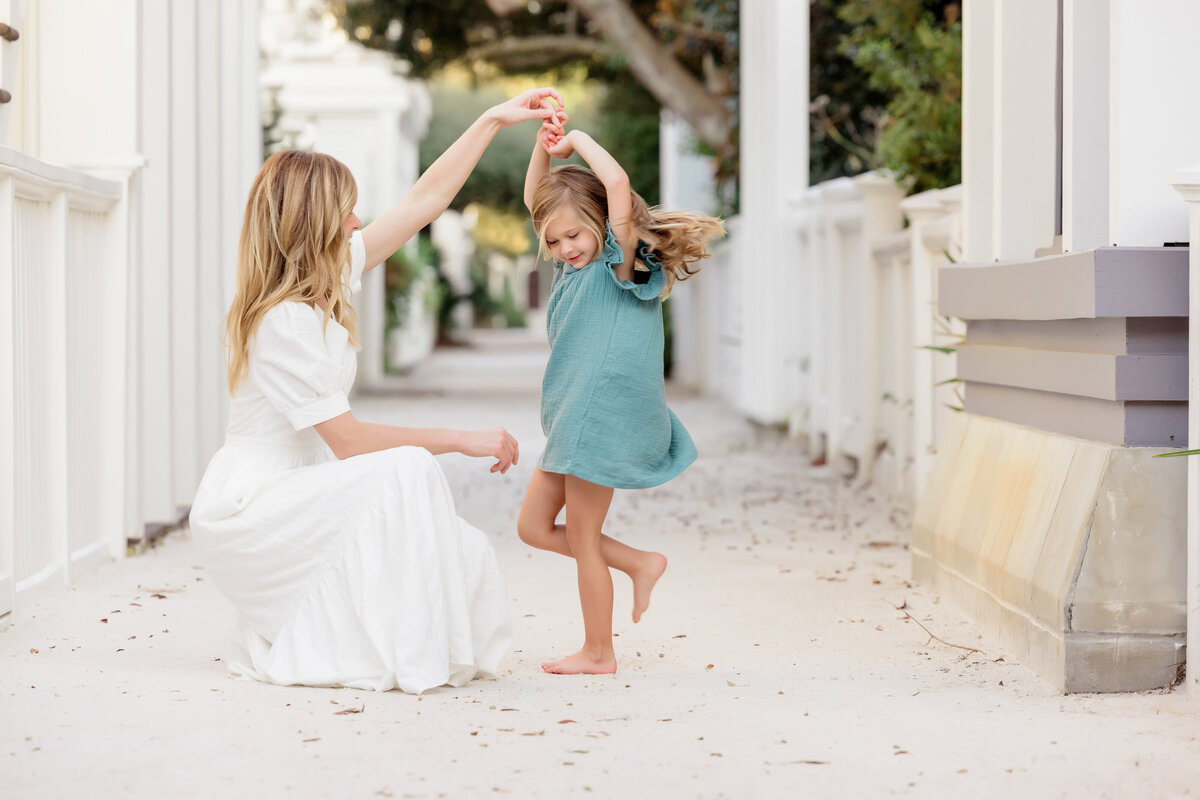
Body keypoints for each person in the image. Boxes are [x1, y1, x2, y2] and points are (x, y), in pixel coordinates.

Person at [189, 87, 565, 694]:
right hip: (256, 507)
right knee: (405, 471)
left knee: (411, 482)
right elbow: (349, 441)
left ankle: (402, 639)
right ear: (313, 222)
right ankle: (390, 644)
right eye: (347, 211)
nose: (358, 222)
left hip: (300, 485)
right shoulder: (283, 321)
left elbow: (424, 201)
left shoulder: (325, 278)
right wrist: (461, 438)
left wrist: (492, 118)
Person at [516, 110, 725, 675]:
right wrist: (545, 146)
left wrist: (578, 139)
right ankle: (638, 561)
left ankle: (598, 652)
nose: (564, 247)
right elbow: (538, 196)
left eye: (575, 234)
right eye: (554, 240)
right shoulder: (571, 267)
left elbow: (616, 187)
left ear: (604, 227)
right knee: (533, 528)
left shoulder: (619, 262)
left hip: (597, 412)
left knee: (582, 537)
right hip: (570, 415)